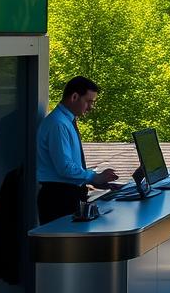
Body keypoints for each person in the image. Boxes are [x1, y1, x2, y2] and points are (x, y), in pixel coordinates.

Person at [37, 76, 118, 225]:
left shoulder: (65, 121)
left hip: (66, 194)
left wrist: (92, 180)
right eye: (89, 101)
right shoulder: (58, 124)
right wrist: (94, 177)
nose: (91, 107)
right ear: (74, 97)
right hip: (58, 198)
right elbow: (65, 168)